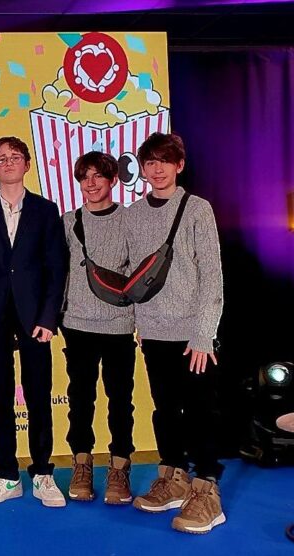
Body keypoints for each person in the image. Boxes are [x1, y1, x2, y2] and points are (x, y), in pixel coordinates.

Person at [127, 132, 225, 534]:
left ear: (179, 165)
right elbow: (133, 275)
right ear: (142, 169)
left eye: (165, 161)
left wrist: (203, 334)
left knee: (200, 411)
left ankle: (207, 490)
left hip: (192, 335)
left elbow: (212, 275)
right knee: (164, 409)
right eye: (150, 162)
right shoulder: (134, 213)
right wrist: (138, 323)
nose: (158, 169)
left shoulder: (197, 209)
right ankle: (173, 478)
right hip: (153, 332)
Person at [0, 136, 68, 506]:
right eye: (1, 158)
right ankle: (7, 474)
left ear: (27, 163)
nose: (8, 162)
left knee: (39, 393)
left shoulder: (46, 210)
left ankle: (42, 472)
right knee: (0, 395)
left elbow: (57, 268)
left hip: (35, 317)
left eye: (15, 156)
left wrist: (49, 317)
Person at [60, 152, 136, 504]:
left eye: (98, 176)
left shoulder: (130, 219)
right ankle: (82, 464)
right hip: (76, 324)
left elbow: (141, 273)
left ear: (113, 180)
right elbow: (58, 270)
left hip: (120, 323)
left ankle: (120, 467)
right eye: (84, 177)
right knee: (80, 398)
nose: (90, 183)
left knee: (120, 400)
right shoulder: (68, 221)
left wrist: (140, 319)